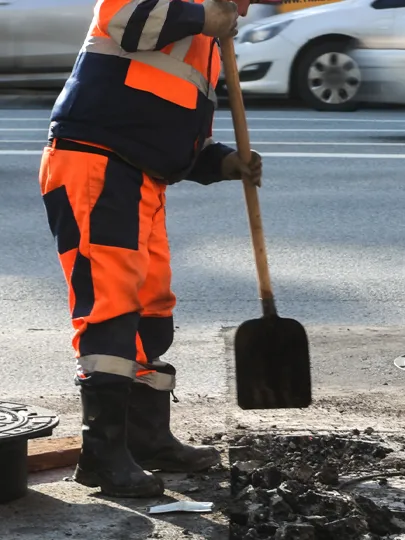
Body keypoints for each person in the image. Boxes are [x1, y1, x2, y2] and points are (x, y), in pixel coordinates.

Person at [39, 0, 266, 498]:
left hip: (140, 178)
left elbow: (164, 126)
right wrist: (206, 19)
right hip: (96, 166)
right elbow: (129, 20)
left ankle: (146, 439)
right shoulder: (183, 14)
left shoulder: (207, 41)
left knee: (151, 313)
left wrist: (221, 161)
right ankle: (103, 457)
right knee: (111, 308)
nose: (245, 9)